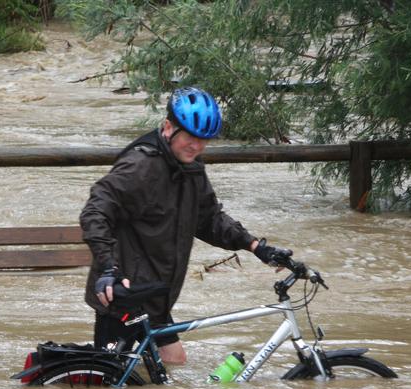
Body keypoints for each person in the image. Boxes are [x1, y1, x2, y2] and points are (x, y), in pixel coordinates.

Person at [80, 87, 289, 364]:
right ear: (168, 128)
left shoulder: (190, 169)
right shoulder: (141, 166)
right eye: (190, 137)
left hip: (153, 296)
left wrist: (255, 246)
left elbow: (210, 219)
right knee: (112, 381)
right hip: (124, 295)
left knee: (171, 365)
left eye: (204, 140)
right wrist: (108, 268)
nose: (197, 146)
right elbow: (95, 211)